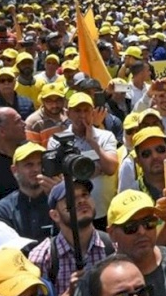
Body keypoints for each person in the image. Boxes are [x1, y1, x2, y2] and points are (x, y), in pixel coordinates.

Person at [28, 179, 113, 296]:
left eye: (85, 195)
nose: (81, 201)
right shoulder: (42, 257)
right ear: (55, 215)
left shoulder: (112, 246)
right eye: (70, 199)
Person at [49, 93, 119, 226]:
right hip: (75, 213)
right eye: (77, 111)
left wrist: (92, 142)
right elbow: (57, 178)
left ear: (93, 113)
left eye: (86, 110)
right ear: (68, 113)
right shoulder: (57, 140)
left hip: (104, 211)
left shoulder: (106, 136)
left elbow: (110, 168)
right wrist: (95, 169)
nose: (82, 115)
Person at [0, 142, 58, 241]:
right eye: (29, 165)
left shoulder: (60, 201)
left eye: (40, 164)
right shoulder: (2, 211)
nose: (36, 169)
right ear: (14, 170)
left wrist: (59, 197)